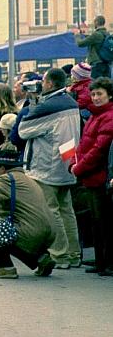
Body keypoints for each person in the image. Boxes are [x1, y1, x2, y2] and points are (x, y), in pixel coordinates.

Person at [17, 67, 82, 269]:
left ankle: (60, 254)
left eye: (43, 82)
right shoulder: (71, 102)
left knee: (52, 211)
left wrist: (32, 103)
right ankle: (73, 253)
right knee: (67, 210)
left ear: (50, 84)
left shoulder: (49, 107)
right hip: (68, 161)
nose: (41, 85)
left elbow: (23, 130)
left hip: (48, 166)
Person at [0, 144, 57, 279]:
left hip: (31, 232)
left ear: (2, 168)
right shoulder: (28, 179)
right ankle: (41, 258)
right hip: (49, 232)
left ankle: (5, 267)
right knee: (14, 231)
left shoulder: (6, 179)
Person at [71, 77, 113, 275]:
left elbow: (99, 149)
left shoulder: (108, 116)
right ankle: (100, 261)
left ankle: (106, 262)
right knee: (96, 220)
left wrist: (79, 167)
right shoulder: (96, 116)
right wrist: (75, 161)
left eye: (99, 94)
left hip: (100, 175)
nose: (95, 98)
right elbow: (84, 145)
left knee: (103, 221)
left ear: (109, 95)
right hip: (91, 174)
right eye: (93, 94)